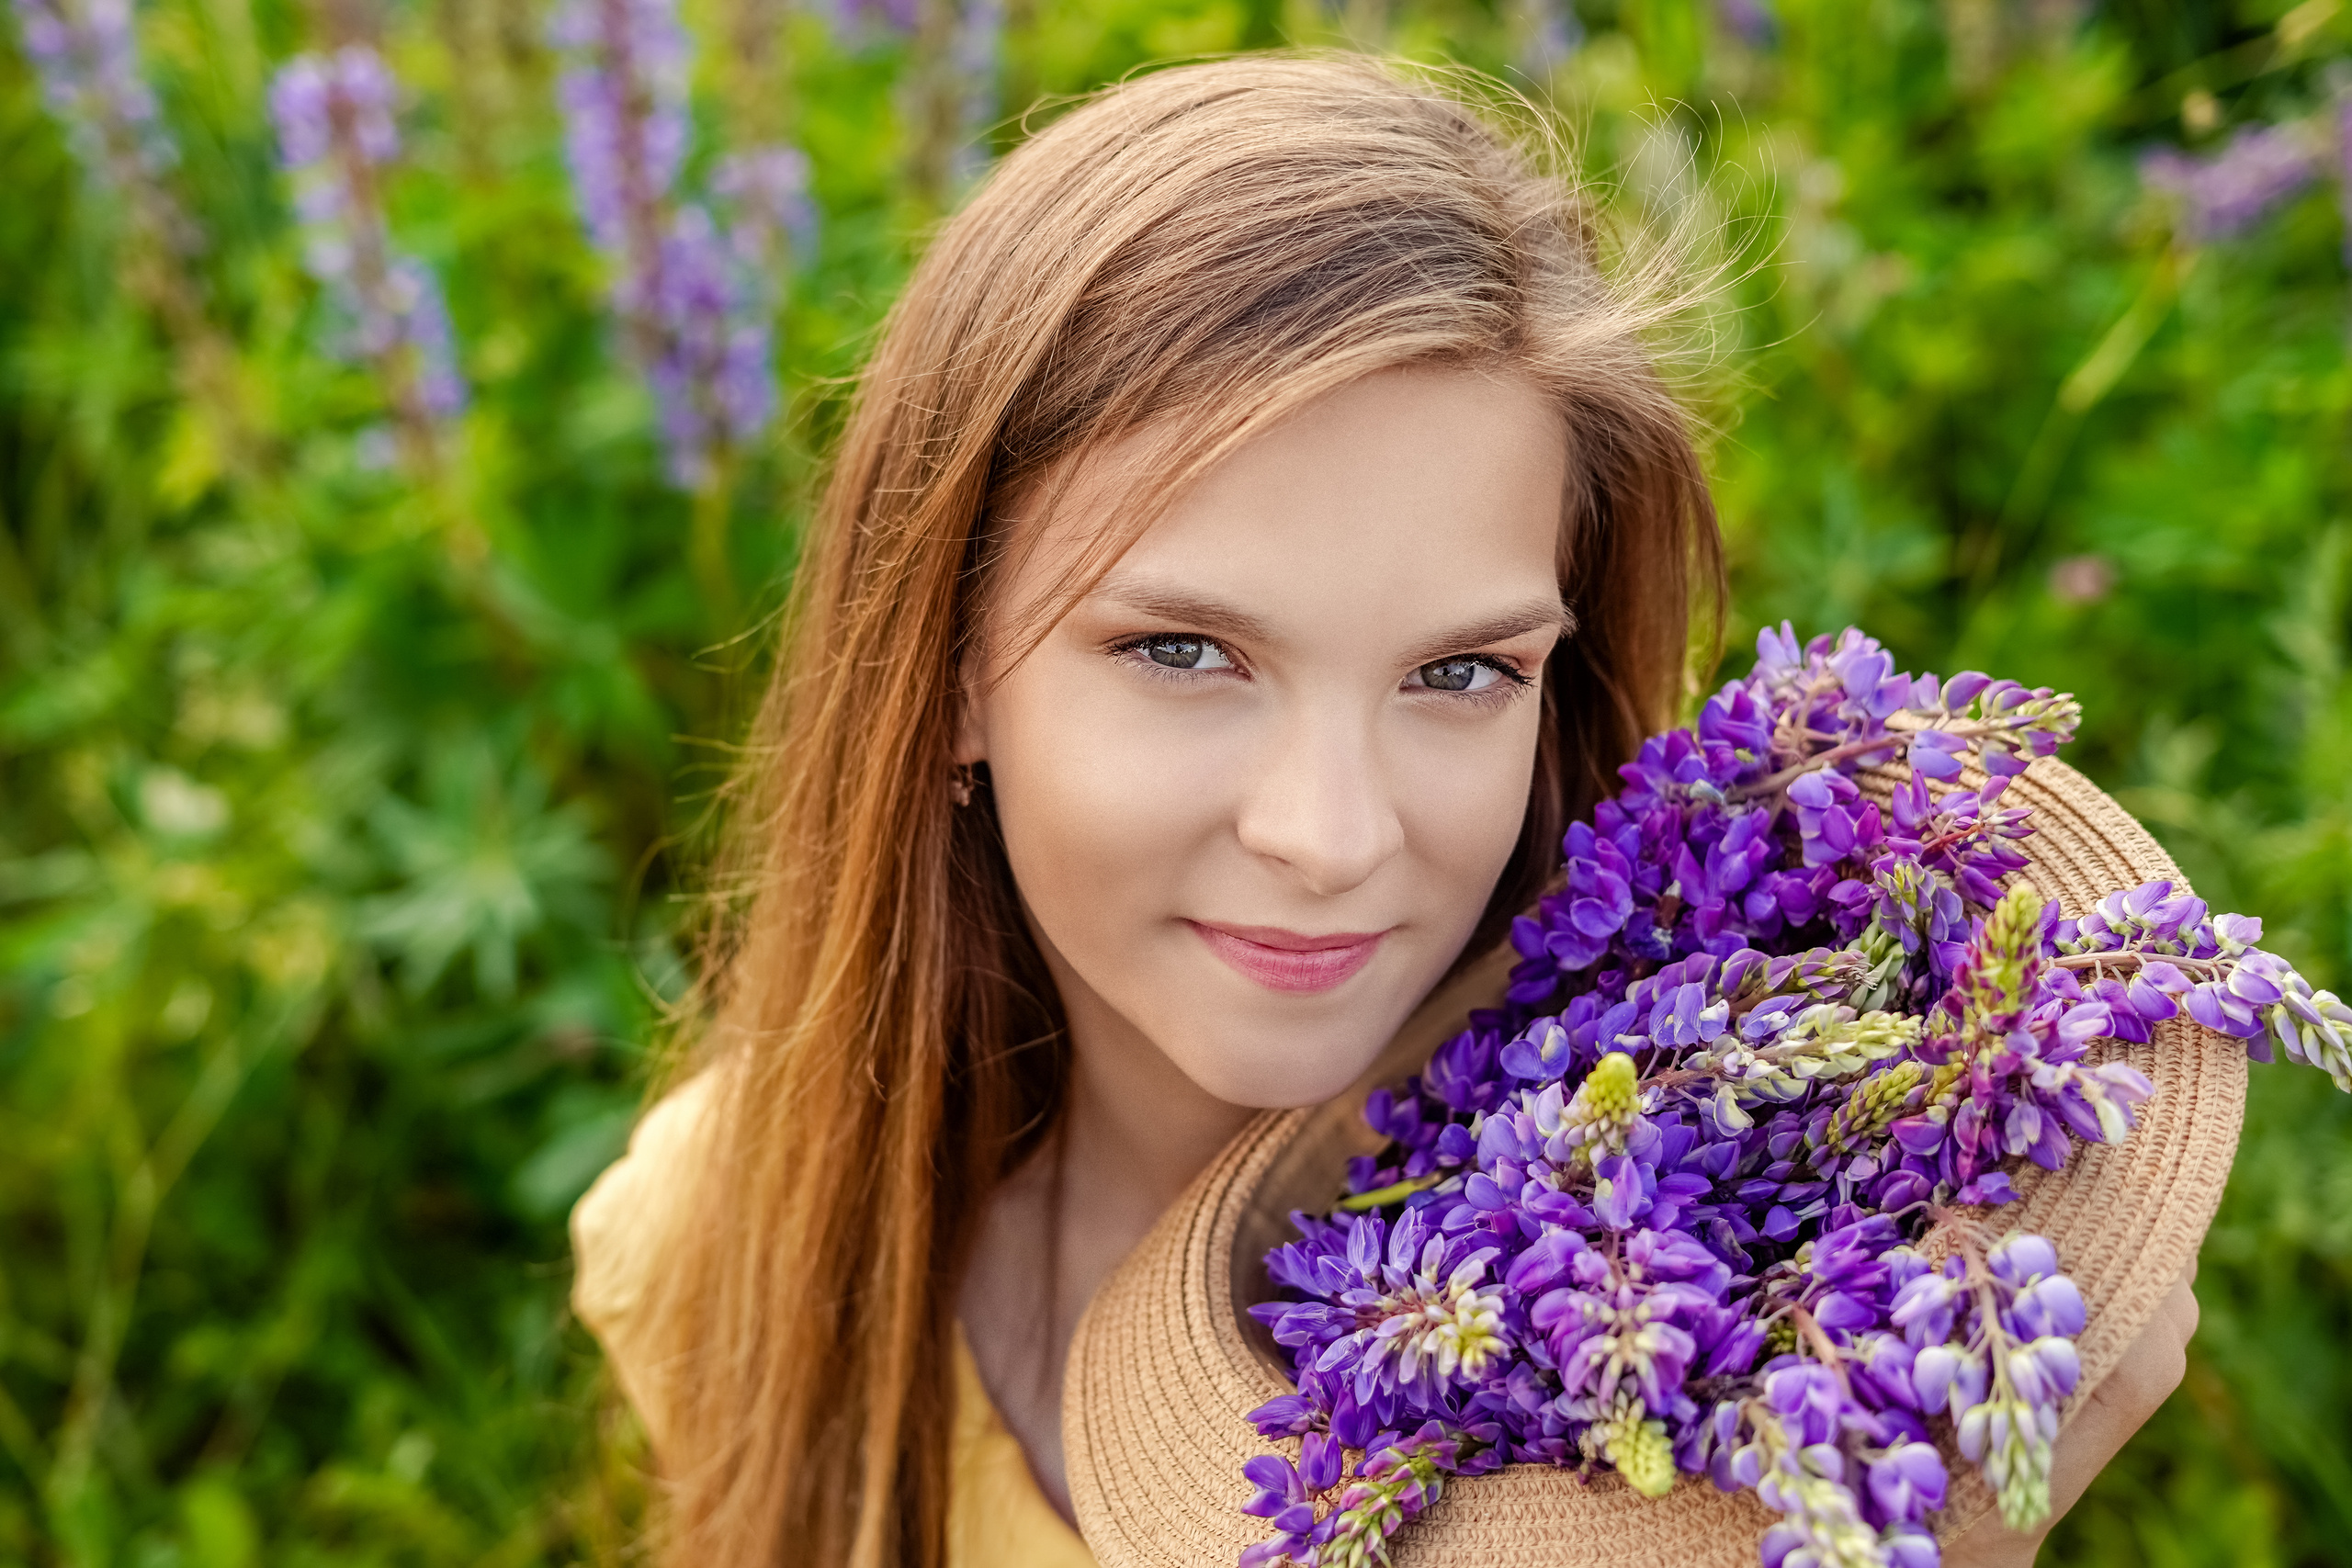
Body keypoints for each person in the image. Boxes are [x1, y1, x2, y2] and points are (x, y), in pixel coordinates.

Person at [568, 53, 2199, 1568]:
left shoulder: (1724, 1331)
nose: (1331, 835)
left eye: (1460, 674)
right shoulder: (734, 1244)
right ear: (952, 674)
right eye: (1185, 651)